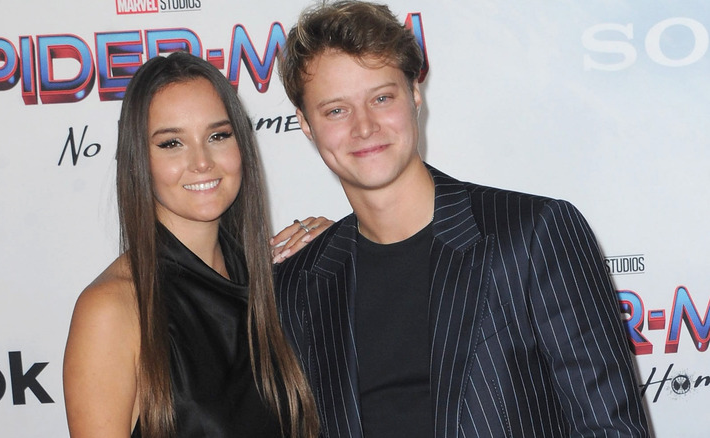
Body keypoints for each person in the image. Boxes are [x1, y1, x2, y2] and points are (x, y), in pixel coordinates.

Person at [274, 1, 651, 437]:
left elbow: (610, 427)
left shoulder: (533, 234)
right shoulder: (298, 284)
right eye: (336, 110)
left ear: (414, 95)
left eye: (381, 97)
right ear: (304, 123)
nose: (364, 126)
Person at [62, 51, 325, 438]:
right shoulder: (112, 309)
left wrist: (339, 248)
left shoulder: (272, 282)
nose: (202, 162)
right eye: (171, 143)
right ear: (139, 160)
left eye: (218, 136)